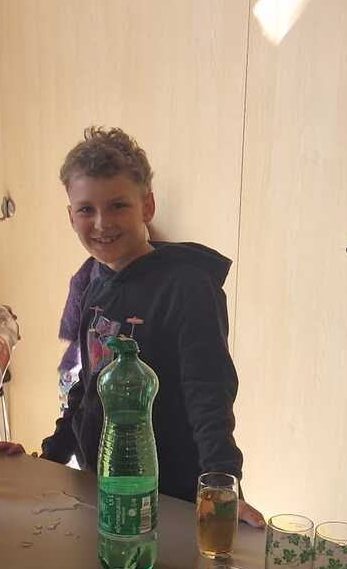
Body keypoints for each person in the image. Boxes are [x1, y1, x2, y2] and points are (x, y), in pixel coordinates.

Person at [39, 127, 264, 526]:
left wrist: (221, 486)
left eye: (118, 206)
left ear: (147, 206)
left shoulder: (187, 286)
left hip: (171, 497)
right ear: (70, 216)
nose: (102, 223)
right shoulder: (94, 283)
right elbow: (87, 387)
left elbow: (209, 392)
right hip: (102, 487)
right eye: (86, 209)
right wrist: (49, 458)